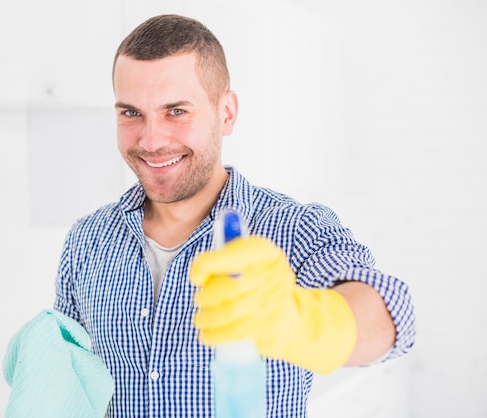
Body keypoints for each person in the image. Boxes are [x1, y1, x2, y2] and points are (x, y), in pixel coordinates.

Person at [54, 14, 416, 417]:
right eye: (131, 113)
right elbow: (73, 383)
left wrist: (297, 319)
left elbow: (389, 319)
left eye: (176, 111)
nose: (151, 139)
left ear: (226, 113)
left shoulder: (291, 228)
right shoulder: (87, 239)